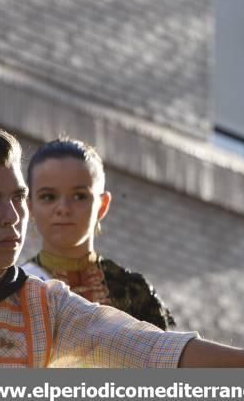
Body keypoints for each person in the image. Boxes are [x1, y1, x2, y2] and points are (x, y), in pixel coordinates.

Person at [0, 128, 244, 368]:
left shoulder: (45, 305)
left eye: (18, 198)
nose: (11, 217)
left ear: (103, 205)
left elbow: (156, 350)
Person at [21, 137, 174, 330]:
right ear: (30, 206)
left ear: (102, 205)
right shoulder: (16, 290)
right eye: (48, 197)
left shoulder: (134, 291)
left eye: (79, 196)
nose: (63, 208)